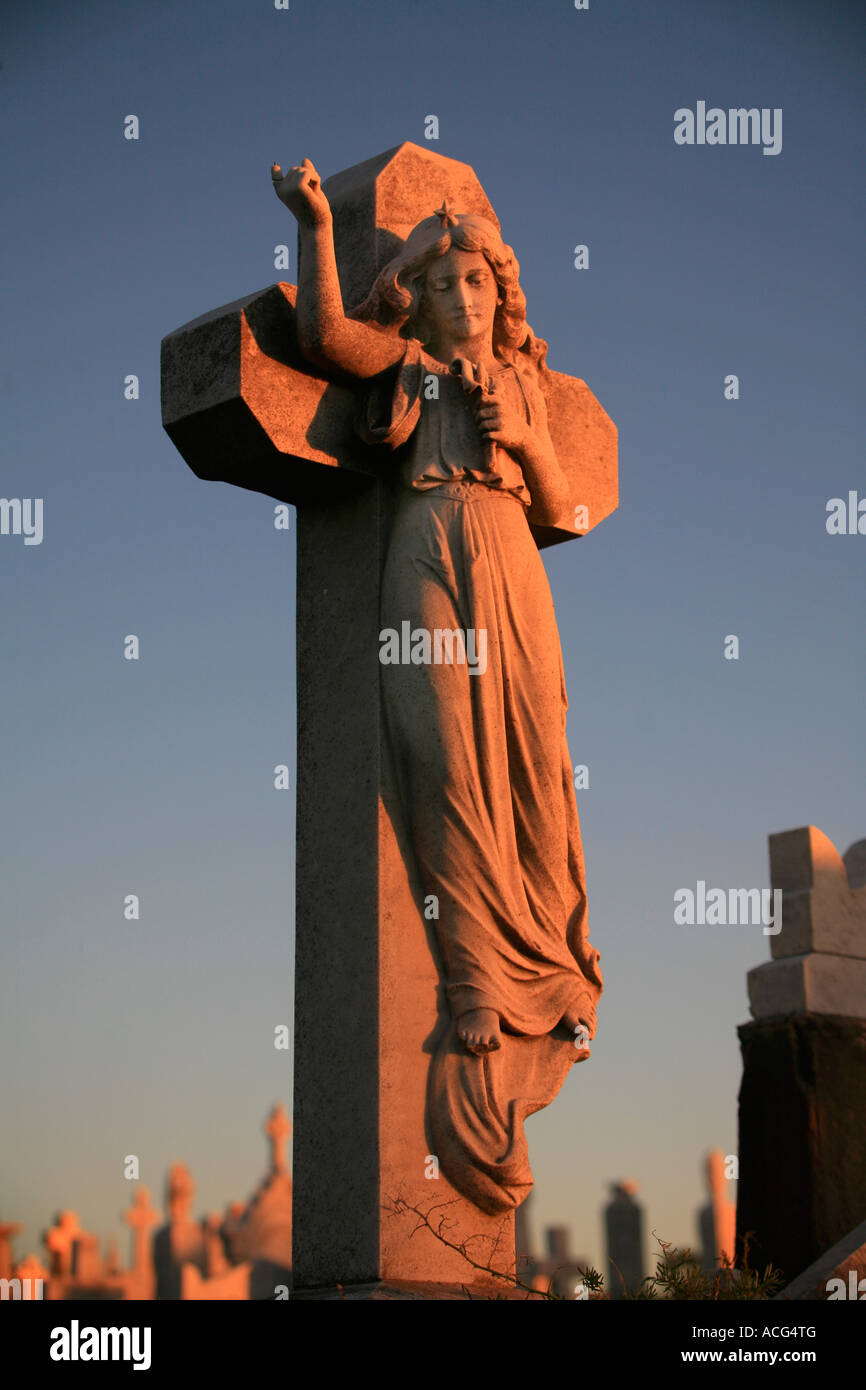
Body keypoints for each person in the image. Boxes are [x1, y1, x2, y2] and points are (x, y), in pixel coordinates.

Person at [272, 158, 602, 1065]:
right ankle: (475, 982)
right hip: (425, 547)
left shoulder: (525, 388)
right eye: (445, 283)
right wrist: (314, 226)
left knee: (536, 761)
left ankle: (556, 973)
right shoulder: (409, 364)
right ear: (415, 298)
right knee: (446, 759)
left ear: (501, 295)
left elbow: (566, 511)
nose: (464, 297)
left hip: (509, 552)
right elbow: (329, 335)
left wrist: (529, 441)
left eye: (478, 281)